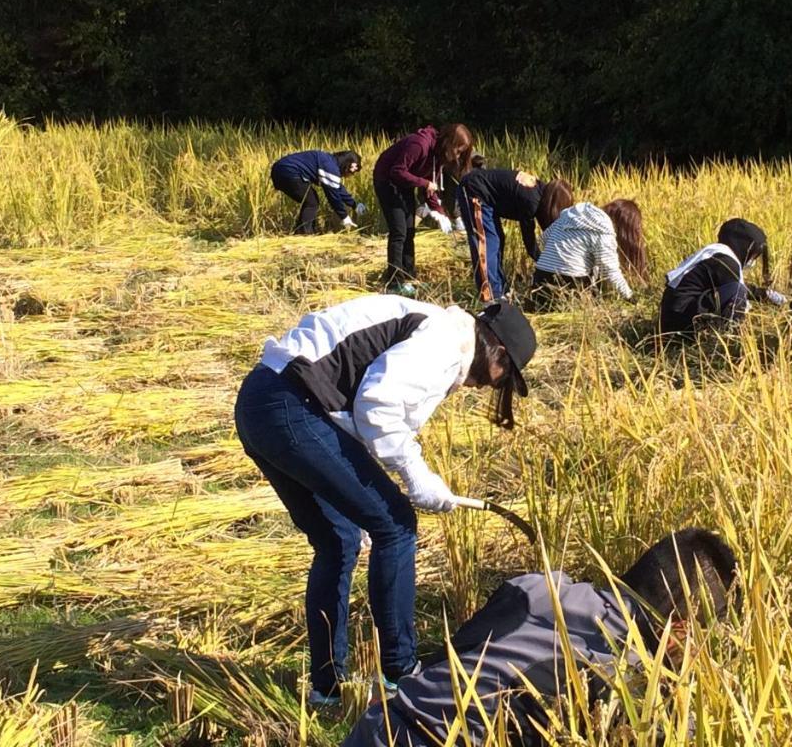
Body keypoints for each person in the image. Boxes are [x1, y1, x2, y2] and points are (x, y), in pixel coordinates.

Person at [234, 296, 536, 707]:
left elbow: (359, 410)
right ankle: (399, 675)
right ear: (497, 351)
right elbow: (377, 405)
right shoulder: (444, 343)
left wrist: (363, 492)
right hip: (291, 406)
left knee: (338, 540)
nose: (493, 386)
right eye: (504, 376)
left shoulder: (439, 332)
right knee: (395, 525)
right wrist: (417, 477)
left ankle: (327, 689)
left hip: (263, 402)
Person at [341, 527, 739, 747]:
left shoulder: (539, 586)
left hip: (380, 725)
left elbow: (461, 651)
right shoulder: (627, 677)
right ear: (681, 626)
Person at [373, 124, 475, 295]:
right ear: (449, 141)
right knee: (399, 231)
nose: (457, 155)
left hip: (403, 183)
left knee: (410, 230)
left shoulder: (438, 156)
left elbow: (429, 187)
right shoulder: (419, 144)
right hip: (387, 181)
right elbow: (397, 171)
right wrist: (425, 183)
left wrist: (439, 212)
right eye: (457, 150)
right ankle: (394, 282)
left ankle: (409, 276)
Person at [456, 170, 574, 302]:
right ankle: (490, 297)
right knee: (488, 243)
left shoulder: (539, 193)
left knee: (498, 239)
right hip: (475, 190)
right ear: (553, 206)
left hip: (487, 198)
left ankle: (500, 289)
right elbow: (529, 240)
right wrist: (541, 259)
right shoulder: (532, 200)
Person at [658, 218, 777, 334]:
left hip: (672, 317)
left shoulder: (716, 254)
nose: (753, 260)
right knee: (737, 292)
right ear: (745, 247)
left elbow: (739, 287)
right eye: (754, 255)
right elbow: (738, 294)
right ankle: (726, 337)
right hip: (681, 323)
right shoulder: (726, 262)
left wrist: (765, 295)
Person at [530, 199, 648, 305]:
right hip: (567, 288)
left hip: (539, 282)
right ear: (625, 225)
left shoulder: (570, 215)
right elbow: (610, 272)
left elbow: (544, 238)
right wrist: (631, 298)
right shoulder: (604, 228)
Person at [270, 149, 366, 235]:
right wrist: (344, 217)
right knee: (312, 202)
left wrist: (355, 205)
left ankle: (303, 231)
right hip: (288, 172)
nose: (350, 175)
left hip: (281, 169)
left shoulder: (330, 162)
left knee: (310, 201)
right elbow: (333, 197)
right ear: (348, 166)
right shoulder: (330, 168)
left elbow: (338, 188)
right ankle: (304, 234)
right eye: (352, 172)